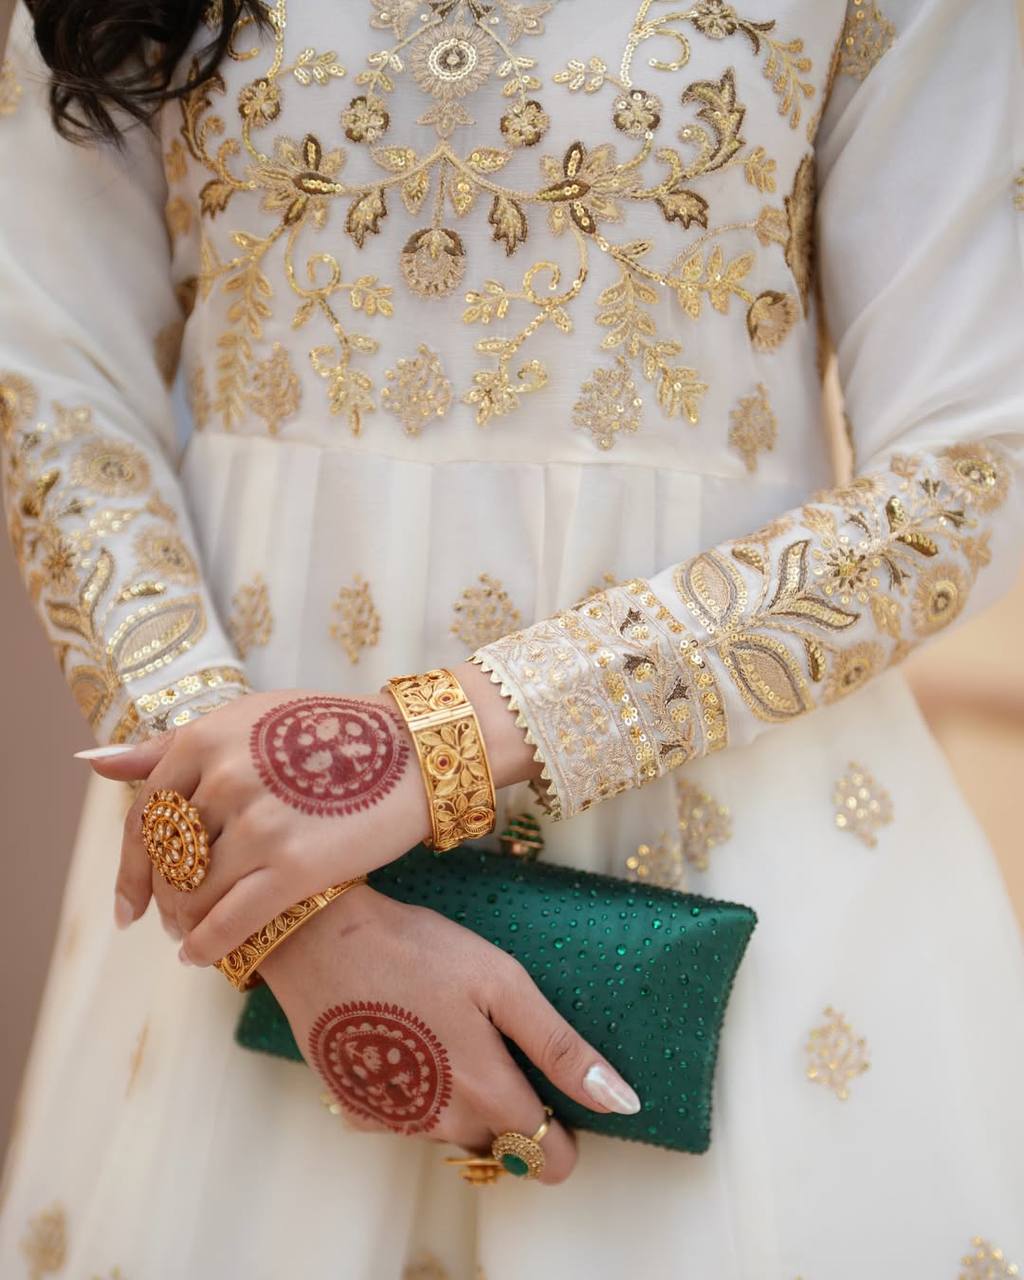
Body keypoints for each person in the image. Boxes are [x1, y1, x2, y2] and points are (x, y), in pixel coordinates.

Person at [1, 0, 1021, 1274]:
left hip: (713, 883)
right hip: (236, 888)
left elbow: (977, 459)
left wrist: (437, 744)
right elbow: (57, 396)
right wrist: (292, 908)